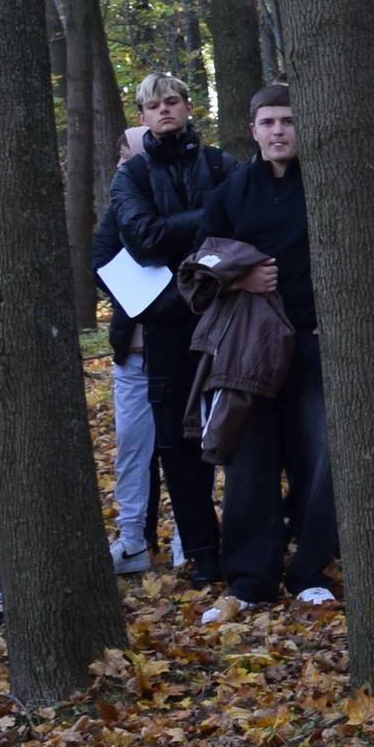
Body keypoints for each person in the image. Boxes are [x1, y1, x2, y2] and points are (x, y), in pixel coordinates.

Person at [192, 85, 337, 617]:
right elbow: (200, 266)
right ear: (252, 130)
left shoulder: (324, 186)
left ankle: (311, 571)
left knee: (318, 459)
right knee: (250, 463)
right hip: (248, 350)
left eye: (288, 121)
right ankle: (252, 582)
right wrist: (240, 277)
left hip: (314, 341)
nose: (279, 131)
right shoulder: (230, 194)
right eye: (269, 122)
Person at [105, 74, 227, 581]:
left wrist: (194, 228)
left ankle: (242, 543)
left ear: (188, 106)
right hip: (165, 327)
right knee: (177, 444)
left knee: (237, 432)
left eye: (171, 101)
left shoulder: (221, 164)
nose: (163, 111)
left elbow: (240, 225)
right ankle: (200, 554)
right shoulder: (129, 177)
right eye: (152, 105)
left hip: (228, 318)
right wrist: (208, 221)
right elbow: (143, 240)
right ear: (141, 116)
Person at [96, 124, 166, 573]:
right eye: (123, 157)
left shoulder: (176, 197)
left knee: (186, 447)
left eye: (133, 157)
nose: (125, 166)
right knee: (132, 449)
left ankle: (188, 540)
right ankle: (133, 538)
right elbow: (100, 261)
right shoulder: (117, 211)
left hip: (181, 348)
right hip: (133, 350)